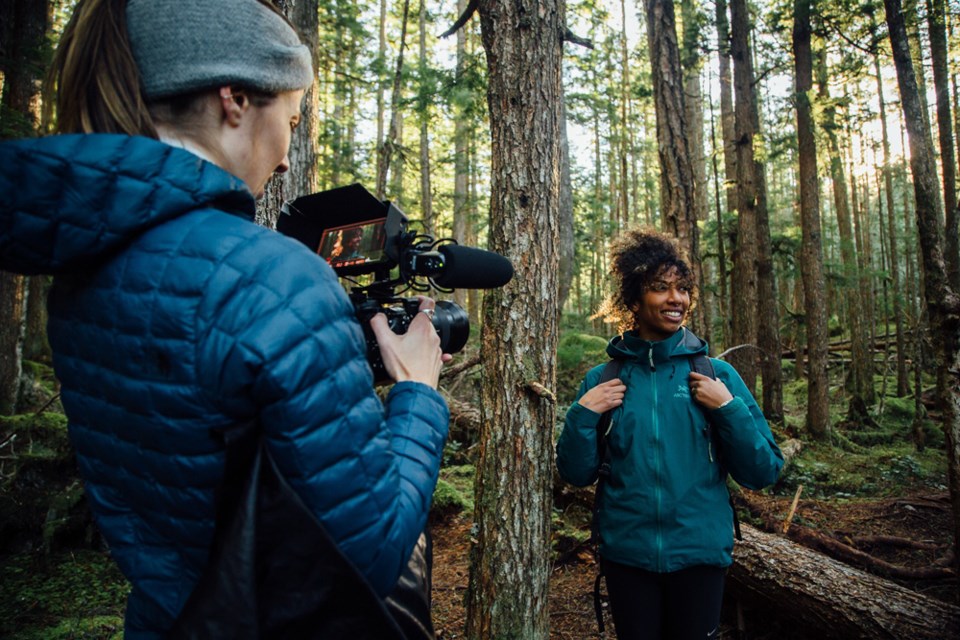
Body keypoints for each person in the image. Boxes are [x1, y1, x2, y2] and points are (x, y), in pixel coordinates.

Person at [0, 1, 449, 637]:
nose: (289, 158)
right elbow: (370, 554)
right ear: (234, 99)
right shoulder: (275, 278)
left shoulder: (79, 274)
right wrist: (416, 395)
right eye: (291, 121)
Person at [556, 228, 783, 640]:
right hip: (628, 556)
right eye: (660, 288)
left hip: (699, 555)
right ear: (634, 300)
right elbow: (576, 474)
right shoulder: (603, 379)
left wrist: (728, 408)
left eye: (682, 288)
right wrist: (581, 417)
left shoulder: (717, 375)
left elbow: (763, 471)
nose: (675, 298)